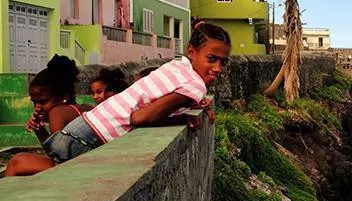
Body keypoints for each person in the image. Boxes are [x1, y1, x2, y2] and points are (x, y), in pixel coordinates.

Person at [5, 22, 231, 176]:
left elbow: (159, 96)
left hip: (82, 128)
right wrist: (183, 118)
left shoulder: (178, 65)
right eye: (212, 59)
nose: (218, 68)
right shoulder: (195, 85)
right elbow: (140, 117)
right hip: (91, 138)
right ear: (192, 51)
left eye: (223, 62)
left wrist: (190, 106)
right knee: (35, 168)